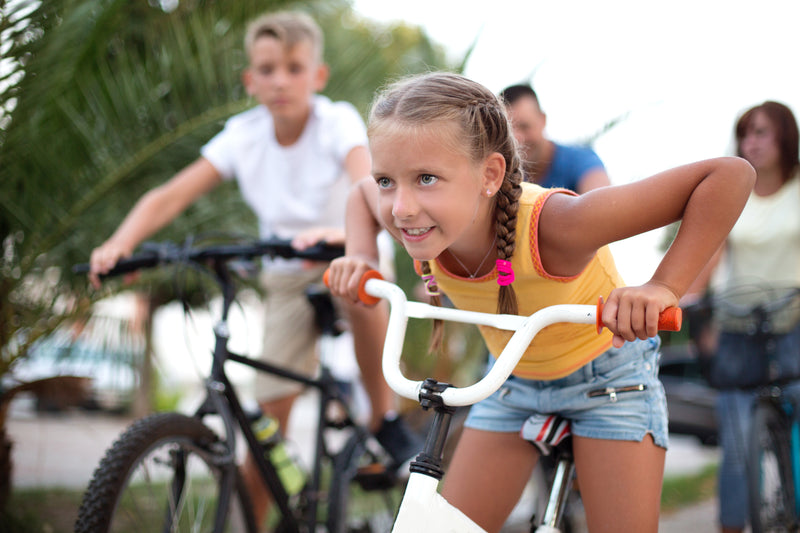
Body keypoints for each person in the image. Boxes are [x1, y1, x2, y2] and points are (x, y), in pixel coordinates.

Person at [325, 71, 755, 533]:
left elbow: (729, 175)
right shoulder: (410, 214)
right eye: (388, 179)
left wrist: (663, 286)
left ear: (490, 175)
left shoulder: (558, 225)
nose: (401, 207)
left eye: (427, 178)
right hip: (513, 381)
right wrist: (361, 256)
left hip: (607, 380)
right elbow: (361, 196)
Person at [88, 10, 419, 528]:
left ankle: (384, 417)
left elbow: (370, 187)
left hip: (346, 252)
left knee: (361, 292)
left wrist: (341, 237)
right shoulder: (242, 135)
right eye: (267, 69)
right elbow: (171, 194)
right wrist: (121, 243)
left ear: (318, 76)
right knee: (267, 432)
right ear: (250, 80)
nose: (280, 80)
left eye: (293, 67)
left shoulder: (335, 123)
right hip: (284, 270)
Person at [686, 101, 800, 533]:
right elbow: (710, 252)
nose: (750, 142)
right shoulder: (733, 190)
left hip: (793, 323)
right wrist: (683, 301)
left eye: (761, 132)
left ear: (785, 137)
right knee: (736, 446)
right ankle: (732, 526)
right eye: (745, 133)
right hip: (737, 324)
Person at [499, 83, 611, 193]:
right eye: (509, 132)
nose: (517, 139)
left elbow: (605, 201)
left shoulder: (580, 160)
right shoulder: (504, 177)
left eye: (524, 127)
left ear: (542, 120)